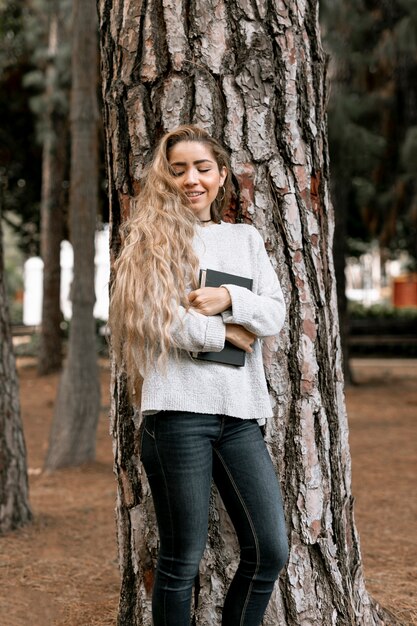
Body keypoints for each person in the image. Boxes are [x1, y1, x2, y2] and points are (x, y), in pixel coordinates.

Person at [110, 125, 289, 626]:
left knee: (269, 550)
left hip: (241, 417)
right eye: (178, 169)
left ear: (222, 175)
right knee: (180, 564)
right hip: (178, 416)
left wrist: (232, 299)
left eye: (202, 168)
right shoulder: (149, 239)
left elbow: (274, 313)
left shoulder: (245, 238)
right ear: (164, 178)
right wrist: (227, 333)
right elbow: (155, 318)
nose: (192, 179)